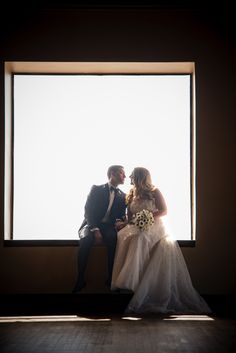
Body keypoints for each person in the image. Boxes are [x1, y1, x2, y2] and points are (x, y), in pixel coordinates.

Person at [111, 167, 211, 314]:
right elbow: (131, 217)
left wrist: (147, 216)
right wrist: (125, 223)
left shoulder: (154, 191)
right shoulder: (131, 194)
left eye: (132, 176)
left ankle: (133, 282)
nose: (130, 178)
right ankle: (127, 282)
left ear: (140, 177)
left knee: (140, 239)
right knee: (122, 236)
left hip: (154, 227)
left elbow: (164, 210)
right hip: (137, 226)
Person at [72, 165, 127, 293]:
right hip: (90, 224)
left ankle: (111, 280)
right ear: (112, 174)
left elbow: (120, 215)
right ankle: (80, 279)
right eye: (122, 173)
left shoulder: (123, 196)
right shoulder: (96, 189)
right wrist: (95, 229)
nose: (124, 176)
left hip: (108, 227)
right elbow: (88, 211)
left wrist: (121, 222)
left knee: (114, 239)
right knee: (86, 240)